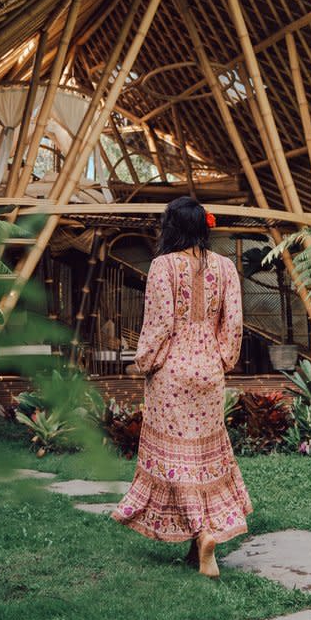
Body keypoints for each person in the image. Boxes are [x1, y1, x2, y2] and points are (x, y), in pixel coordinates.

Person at [111, 197, 252, 578]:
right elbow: (234, 322)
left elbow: (158, 322)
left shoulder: (163, 266)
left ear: (172, 227)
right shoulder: (225, 267)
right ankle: (199, 543)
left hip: (172, 370)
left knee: (177, 459)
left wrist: (144, 362)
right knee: (203, 457)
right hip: (208, 369)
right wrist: (223, 358)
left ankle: (203, 533)